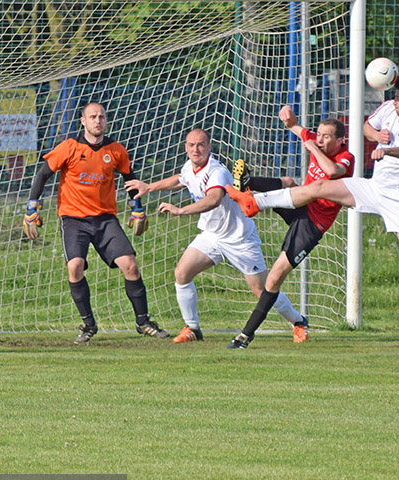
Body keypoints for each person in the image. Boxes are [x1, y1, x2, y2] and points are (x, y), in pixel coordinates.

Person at [226, 77, 399, 305]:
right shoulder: (388, 109)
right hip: (373, 187)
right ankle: (255, 202)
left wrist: (388, 151)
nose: (393, 101)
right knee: (319, 187)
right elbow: (367, 127)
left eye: (398, 98)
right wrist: (376, 136)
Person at [124, 129, 308, 344]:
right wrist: (149, 187)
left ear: (209, 147)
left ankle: (297, 321)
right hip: (212, 235)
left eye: (201, 144)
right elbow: (181, 179)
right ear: (186, 147)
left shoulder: (216, 171)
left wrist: (180, 210)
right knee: (182, 273)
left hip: (239, 238)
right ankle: (192, 328)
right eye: (191, 145)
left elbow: (214, 199)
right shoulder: (189, 167)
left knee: (262, 289)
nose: (196, 149)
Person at [22, 102, 168, 343]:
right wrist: (31, 208)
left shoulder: (116, 150)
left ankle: (143, 322)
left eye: (101, 117)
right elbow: (42, 175)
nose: (97, 121)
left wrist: (137, 209)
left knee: (130, 265)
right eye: (92, 117)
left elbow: (130, 179)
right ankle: (88, 325)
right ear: (83, 121)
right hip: (73, 219)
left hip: (105, 219)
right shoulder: (69, 147)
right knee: (75, 267)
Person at [223, 107, 355, 349]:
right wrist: (289, 119)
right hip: (298, 205)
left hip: (312, 224)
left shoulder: (346, 157)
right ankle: (247, 186)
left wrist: (314, 147)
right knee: (289, 182)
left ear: (340, 140)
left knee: (274, 278)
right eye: (318, 134)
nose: (320, 139)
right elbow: (295, 127)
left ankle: (245, 336)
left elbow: (332, 171)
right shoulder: (316, 141)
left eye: (326, 137)